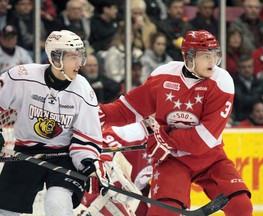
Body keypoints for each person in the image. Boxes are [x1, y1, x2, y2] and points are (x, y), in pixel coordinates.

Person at [99, 30, 253, 215]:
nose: (212, 62)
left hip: (211, 158)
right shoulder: (163, 75)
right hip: (172, 160)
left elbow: (203, 139)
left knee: (241, 206)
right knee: (162, 213)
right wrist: (94, 113)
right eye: (206, 57)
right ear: (188, 58)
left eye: (215, 56)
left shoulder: (222, 81)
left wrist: (165, 138)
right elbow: (128, 109)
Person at [0, 30, 110, 216]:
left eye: (80, 57)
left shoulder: (83, 90)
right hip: (25, 152)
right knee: (4, 210)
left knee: (57, 202)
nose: (79, 63)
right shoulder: (22, 76)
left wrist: (88, 164)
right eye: (73, 57)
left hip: (64, 155)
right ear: (56, 58)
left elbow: (87, 137)